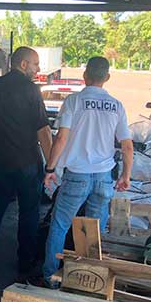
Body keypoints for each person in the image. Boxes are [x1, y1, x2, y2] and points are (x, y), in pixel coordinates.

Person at [40, 56, 133, 288]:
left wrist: (50, 168)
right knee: (94, 232)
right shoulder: (117, 105)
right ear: (107, 77)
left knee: (60, 226)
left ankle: (51, 278)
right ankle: (88, 280)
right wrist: (126, 175)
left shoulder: (74, 101)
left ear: (85, 76)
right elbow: (127, 145)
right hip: (104, 177)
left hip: (77, 176)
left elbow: (61, 138)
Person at [0, 47, 52, 277]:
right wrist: (51, 166)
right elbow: (43, 130)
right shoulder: (30, 89)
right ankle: (26, 260)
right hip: (26, 160)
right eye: (35, 64)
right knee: (29, 209)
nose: (38, 69)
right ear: (23, 64)